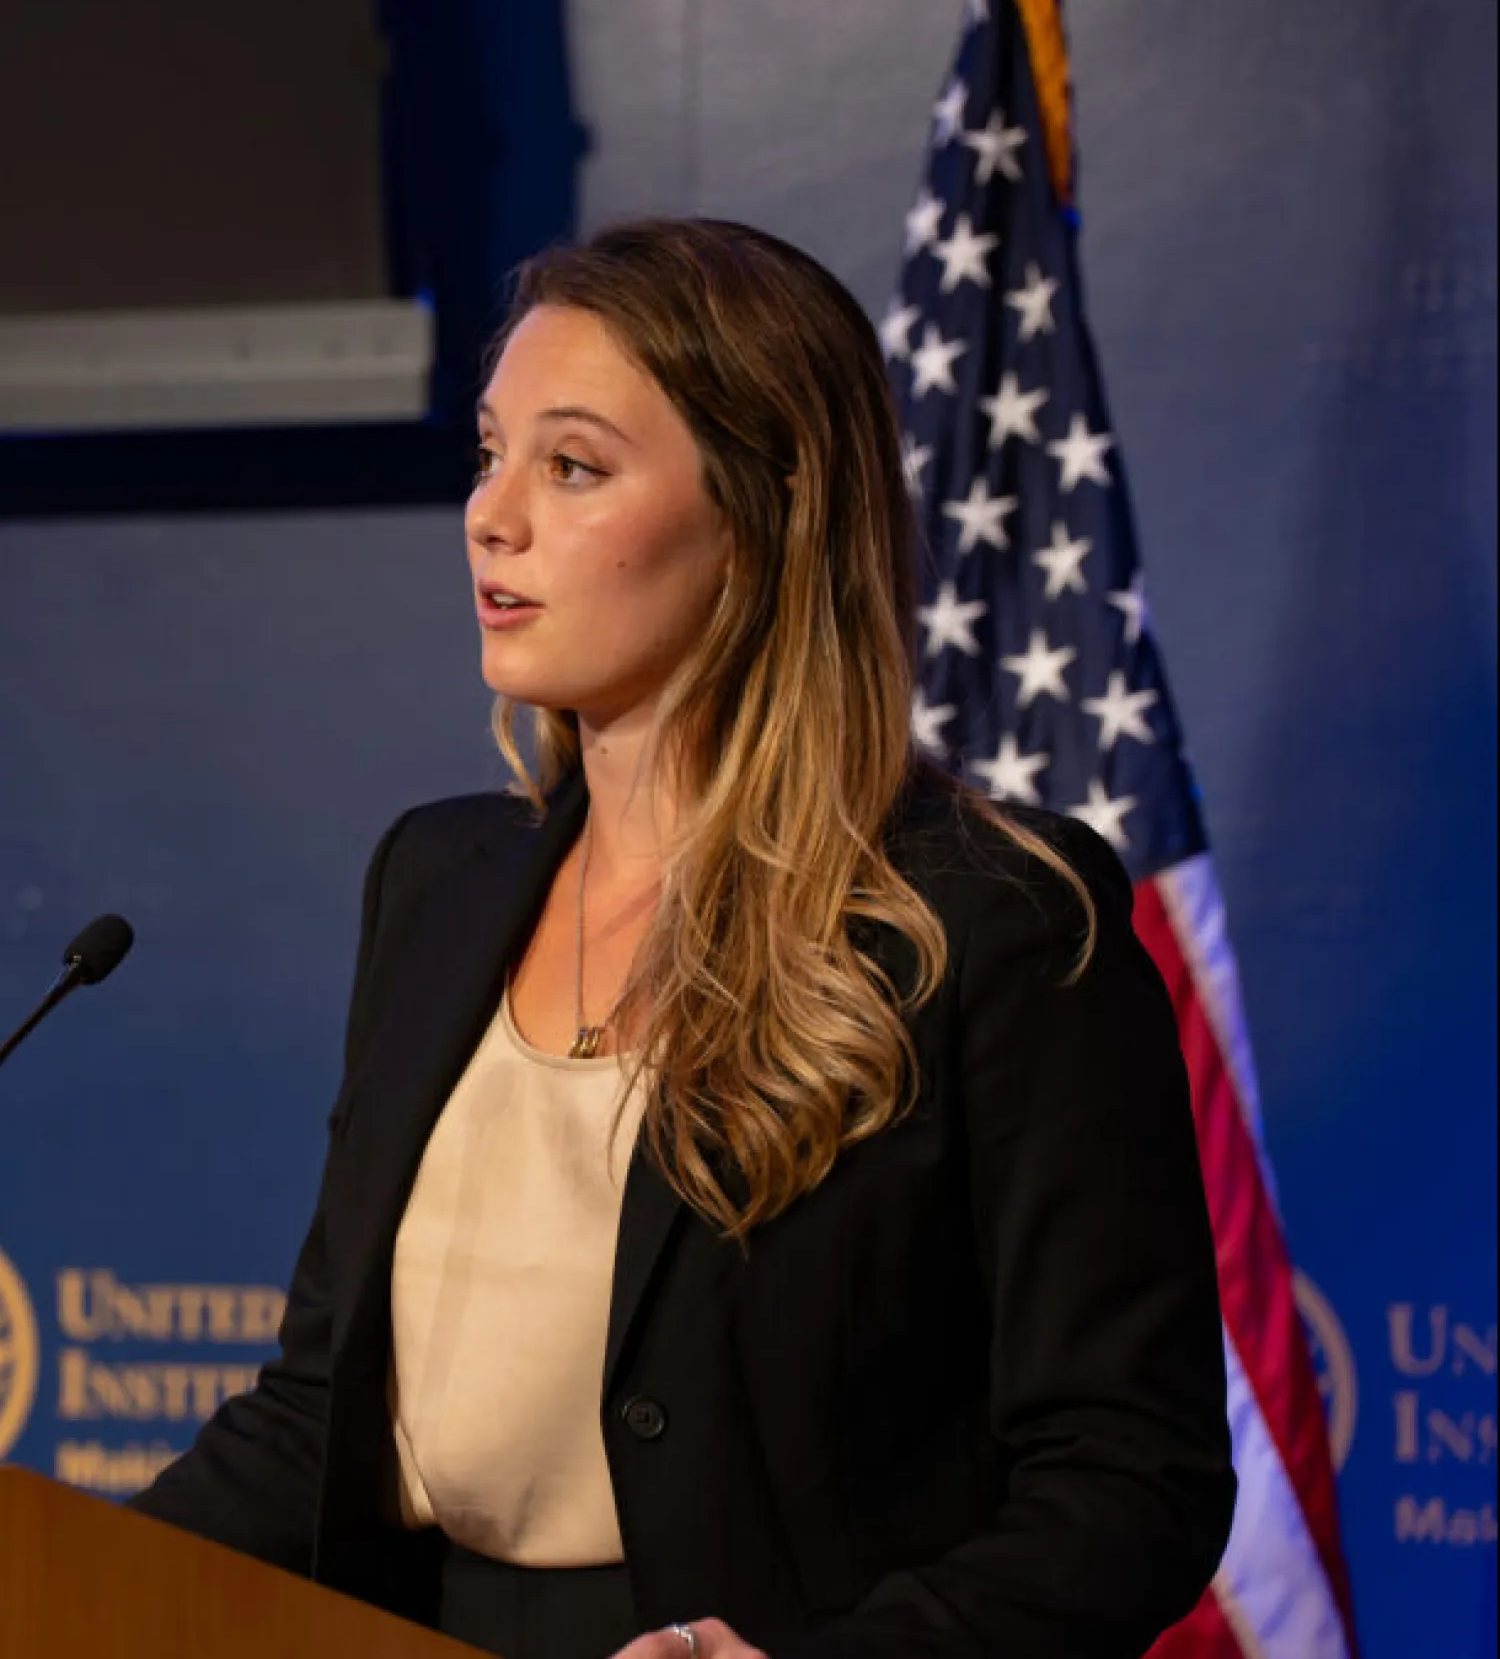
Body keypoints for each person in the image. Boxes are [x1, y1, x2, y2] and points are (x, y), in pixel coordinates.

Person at [130, 217, 1235, 1659]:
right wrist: (70, 1574)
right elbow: (317, 1412)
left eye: (572, 464)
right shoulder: (439, 880)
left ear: (766, 513)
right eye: (489, 451)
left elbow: (1126, 1476)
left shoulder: (998, 921)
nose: (491, 513)